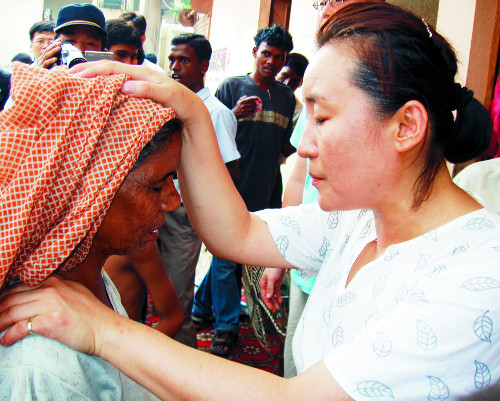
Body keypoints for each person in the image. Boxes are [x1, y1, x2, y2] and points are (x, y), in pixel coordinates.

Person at [1, 3, 498, 400]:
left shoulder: (479, 277)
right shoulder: (360, 221)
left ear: (406, 126)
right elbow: (235, 233)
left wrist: (103, 330)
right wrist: (194, 112)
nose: (302, 145)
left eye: (322, 119)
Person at [0, 61, 181, 400]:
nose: (173, 200)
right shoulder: (39, 367)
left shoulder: (87, 276)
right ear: (88, 195)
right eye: (157, 186)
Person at [263, 0, 384, 379]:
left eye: (326, 119)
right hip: (309, 265)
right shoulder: (332, 226)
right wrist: (280, 255)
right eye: (321, 2)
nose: (305, 146)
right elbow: (294, 181)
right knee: (298, 356)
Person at [191, 24, 295, 356]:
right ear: (255, 53)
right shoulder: (231, 87)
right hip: (230, 187)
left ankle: (199, 306)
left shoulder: (285, 97)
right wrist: (236, 114)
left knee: (235, 258)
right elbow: (210, 134)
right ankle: (226, 328)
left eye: (279, 57)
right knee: (226, 257)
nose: (271, 61)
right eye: (266, 53)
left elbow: (286, 147)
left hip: (265, 192)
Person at [159, 32, 240, 348]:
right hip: (156, 204)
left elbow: (230, 171)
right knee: (152, 290)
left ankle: (183, 370)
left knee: (177, 296)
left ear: (204, 66)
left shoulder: (216, 112)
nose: (175, 66)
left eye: (184, 60)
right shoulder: (167, 103)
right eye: (172, 59)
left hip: (184, 213)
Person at [34, 3, 107, 69]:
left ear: (103, 52)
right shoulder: (38, 76)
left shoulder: (110, 81)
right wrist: (40, 76)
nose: (79, 50)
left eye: (90, 43)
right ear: (55, 46)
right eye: (69, 42)